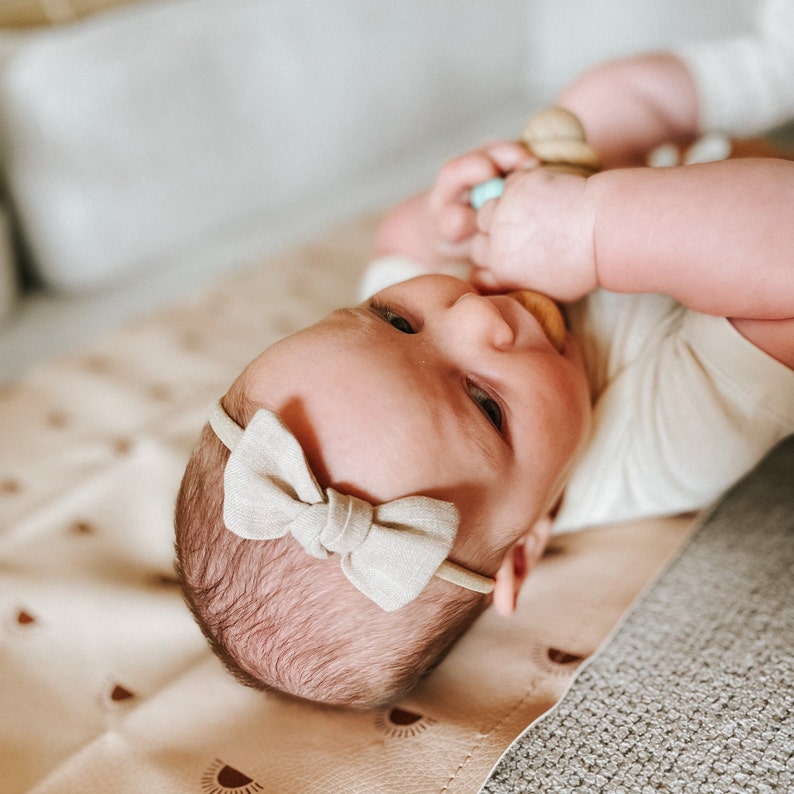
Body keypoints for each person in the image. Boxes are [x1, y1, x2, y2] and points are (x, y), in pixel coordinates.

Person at [174, 6, 794, 709]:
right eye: (485, 404)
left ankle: (775, 60)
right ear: (526, 544)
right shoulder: (661, 449)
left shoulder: (412, 361)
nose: (472, 313)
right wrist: (594, 231)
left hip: (674, 150)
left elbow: (399, 241)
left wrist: (447, 219)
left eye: (393, 317)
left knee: (602, 102)